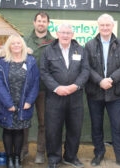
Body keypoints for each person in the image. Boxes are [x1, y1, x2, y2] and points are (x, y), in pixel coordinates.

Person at [85, 13, 120, 168]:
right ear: (98, 26)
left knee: (118, 125)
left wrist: (111, 79)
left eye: (108, 25)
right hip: (95, 92)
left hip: (115, 92)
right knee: (96, 125)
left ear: (112, 26)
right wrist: (100, 81)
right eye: (102, 25)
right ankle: (99, 153)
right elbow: (87, 68)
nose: (105, 28)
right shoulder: (89, 45)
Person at [40, 24, 89, 168]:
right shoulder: (48, 51)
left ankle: (70, 157)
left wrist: (75, 86)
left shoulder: (80, 50)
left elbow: (85, 71)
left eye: (68, 33)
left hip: (75, 97)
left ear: (72, 34)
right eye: (63, 32)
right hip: (55, 97)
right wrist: (56, 87)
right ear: (57, 34)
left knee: (75, 128)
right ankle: (54, 159)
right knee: (53, 129)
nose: (65, 35)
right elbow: (44, 72)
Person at [0, 34, 40, 168]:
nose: (16, 46)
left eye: (18, 43)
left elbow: (35, 83)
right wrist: (8, 103)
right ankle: (9, 158)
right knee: (8, 130)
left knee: (20, 131)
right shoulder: (2, 62)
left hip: (23, 103)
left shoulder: (30, 61)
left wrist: (29, 101)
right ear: (9, 46)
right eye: (13, 43)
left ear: (23, 45)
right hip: (6, 103)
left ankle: (17, 158)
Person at [22, 11, 55, 163]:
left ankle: (41, 152)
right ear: (34, 22)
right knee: (24, 120)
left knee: (44, 122)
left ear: (48, 24)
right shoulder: (24, 40)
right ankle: (23, 149)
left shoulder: (53, 42)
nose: (41, 23)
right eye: (39, 21)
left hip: (44, 89)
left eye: (44, 21)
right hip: (26, 89)